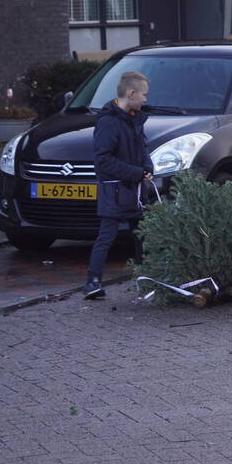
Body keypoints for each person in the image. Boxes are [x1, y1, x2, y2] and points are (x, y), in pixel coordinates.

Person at [84, 71, 154, 299]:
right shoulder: (107, 124)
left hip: (133, 189)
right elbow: (103, 161)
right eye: (143, 94)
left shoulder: (135, 118)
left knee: (142, 234)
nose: (145, 99)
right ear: (131, 93)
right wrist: (136, 173)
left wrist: (148, 166)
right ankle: (92, 283)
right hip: (114, 190)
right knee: (106, 236)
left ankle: (145, 278)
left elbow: (142, 148)